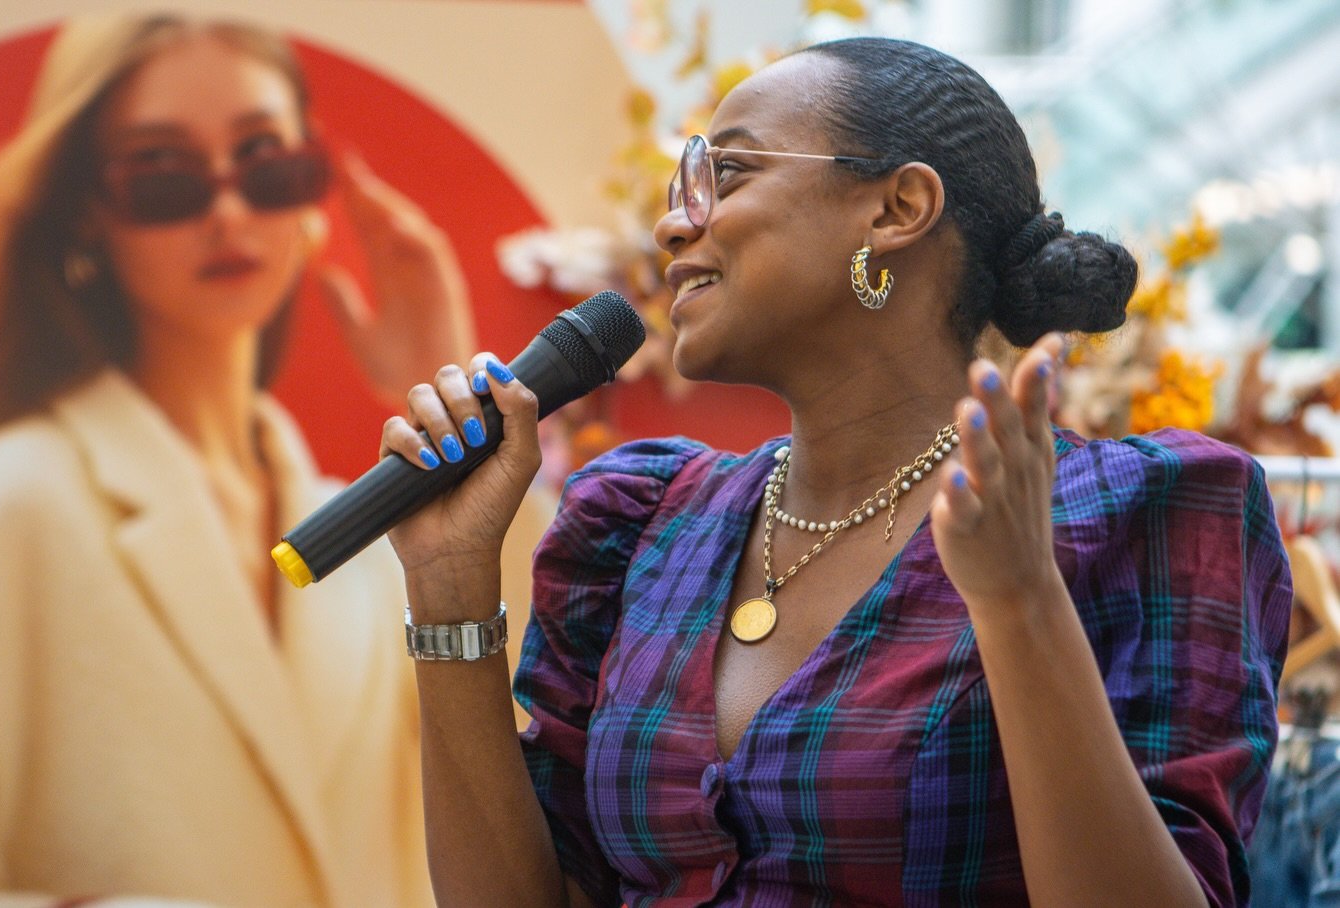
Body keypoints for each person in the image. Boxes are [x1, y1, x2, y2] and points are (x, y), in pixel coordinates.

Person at [376, 37, 1293, 907]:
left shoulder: (1143, 511)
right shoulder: (641, 524)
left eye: (724, 173)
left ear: (895, 209)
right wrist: (448, 589)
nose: (671, 220)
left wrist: (1021, 601)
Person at [0, 13, 548, 907]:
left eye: (265, 162)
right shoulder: (9, 506)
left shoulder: (368, 526)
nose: (230, 210)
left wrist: (448, 398)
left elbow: (535, 754)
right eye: (162, 176)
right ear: (87, 205)